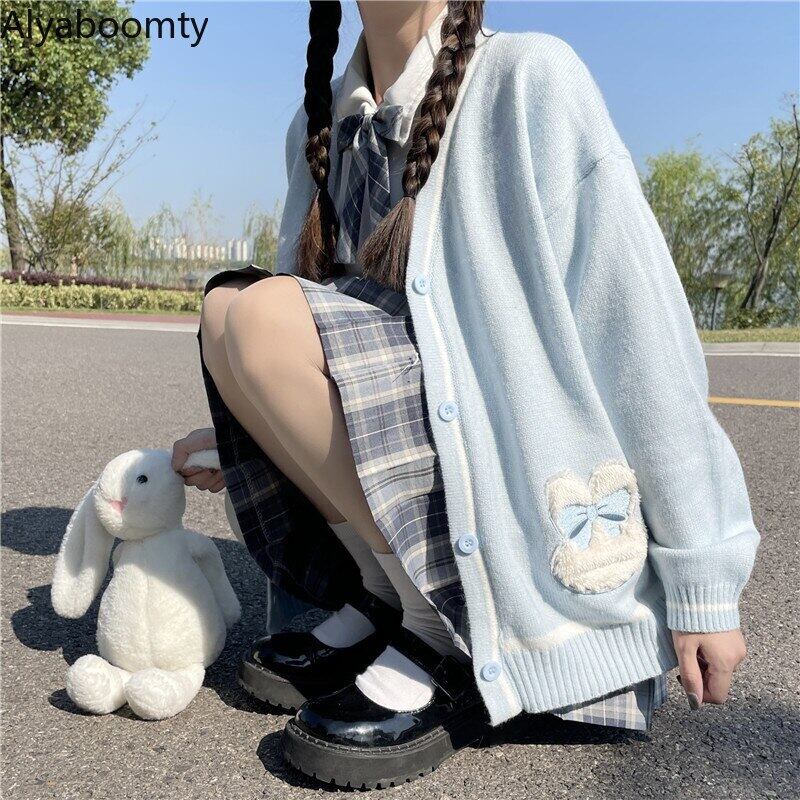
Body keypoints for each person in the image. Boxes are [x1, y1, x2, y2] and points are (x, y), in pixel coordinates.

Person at [172, 0, 759, 789]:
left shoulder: (527, 78)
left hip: (503, 501)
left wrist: (703, 579)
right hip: (408, 467)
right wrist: (244, 422)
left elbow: (637, 328)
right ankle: (386, 598)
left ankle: (440, 628)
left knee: (260, 313)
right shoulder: (321, 126)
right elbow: (296, 324)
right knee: (230, 310)